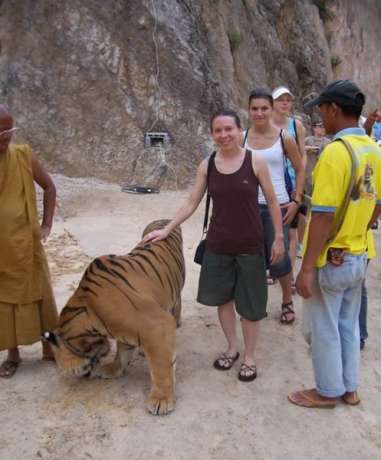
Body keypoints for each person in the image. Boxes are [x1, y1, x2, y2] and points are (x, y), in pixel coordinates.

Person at [143, 109, 284, 382]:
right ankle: (232, 347)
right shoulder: (207, 165)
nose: (223, 135)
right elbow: (191, 202)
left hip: (250, 245)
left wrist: (278, 237)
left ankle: (250, 356)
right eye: (218, 130)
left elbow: (274, 202)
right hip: (218, 245)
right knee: (223, 300)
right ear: (212, 135)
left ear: (239, 130)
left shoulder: (255, 162)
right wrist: (167, 229)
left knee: (251, 306)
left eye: (228, 129)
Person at [289, 80, 381, 408]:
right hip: (360, 254)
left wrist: (306, 268)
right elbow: (377, 204)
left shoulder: (335, 154)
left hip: (332, 258)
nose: (320, 116)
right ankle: (350, 388)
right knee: (348, 325)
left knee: (323, 328)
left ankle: (327, 392)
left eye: (322, 109)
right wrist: (361, 227)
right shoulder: (374, 149)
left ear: (333, 109)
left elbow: (323, 217)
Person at [0, 104, 58, 377]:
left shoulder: (23, 156)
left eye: (8, 131)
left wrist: (46, 224)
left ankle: (49, 347)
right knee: (6, 302)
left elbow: (49, 186)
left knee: (40, 299)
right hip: (2, 250)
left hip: (28, 245)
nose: (4, 137)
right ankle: (13, 354)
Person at [243, 89, 304, 324]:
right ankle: (258, 302)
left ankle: (287, 300)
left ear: (271, 109)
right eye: (254, 108)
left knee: (279, 258)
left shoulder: (283, 138)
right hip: (248, 207)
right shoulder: (242, 137)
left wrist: (297, 200)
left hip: (277, 206)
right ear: (248, 110)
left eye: (264, 108)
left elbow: (299, 168)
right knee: (253, 258)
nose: (259, 113)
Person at [272, 86, 307, 282]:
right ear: (272, 103)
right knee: (271, 228)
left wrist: (298, 183)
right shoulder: (265, 124)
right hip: (271, 184)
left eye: (288, 99)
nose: (285, 103)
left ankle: (289, 273)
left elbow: (302, 155)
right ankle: (274, 267)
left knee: (292, 231)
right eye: (280, 99)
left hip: (293, 183)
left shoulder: (296, 125)